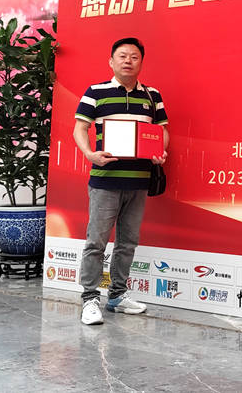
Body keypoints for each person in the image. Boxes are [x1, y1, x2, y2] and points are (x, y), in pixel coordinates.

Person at [73, 37, 169, 325]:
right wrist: (90, 154)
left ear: (141, 62)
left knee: (127, 243)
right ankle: (90, 299)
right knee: (96, 242)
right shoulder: (96, 92)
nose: (128, 61)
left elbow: (162, 130)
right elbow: (80, 128)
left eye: (134, 57)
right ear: (111, 61)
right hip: (105, 180)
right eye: (123, 56)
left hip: (138, 181)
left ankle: (116, 296)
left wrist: (160, 151)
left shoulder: (152, 95)